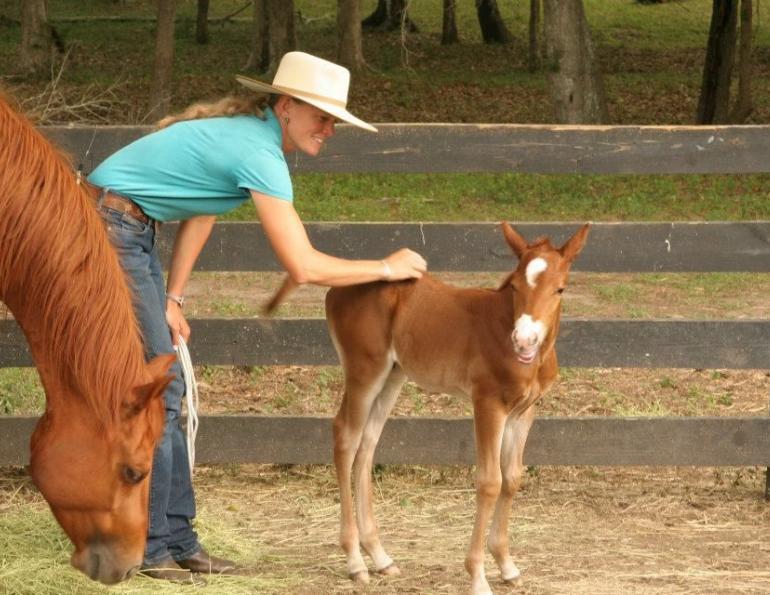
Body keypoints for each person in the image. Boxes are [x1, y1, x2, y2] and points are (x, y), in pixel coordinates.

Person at [87, 51, 427, 585]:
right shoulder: (259, 153)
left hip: (129, 225)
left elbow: (203, 205)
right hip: (110, 227)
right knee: (158, 392)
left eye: (334, 120)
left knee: (167, 391)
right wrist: (386, 266)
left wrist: (174, 299)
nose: (329, 129)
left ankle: (178, 540)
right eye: (321, 116)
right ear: (287, 107)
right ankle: (155, 546)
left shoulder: (251, 137)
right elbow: (303, 265)